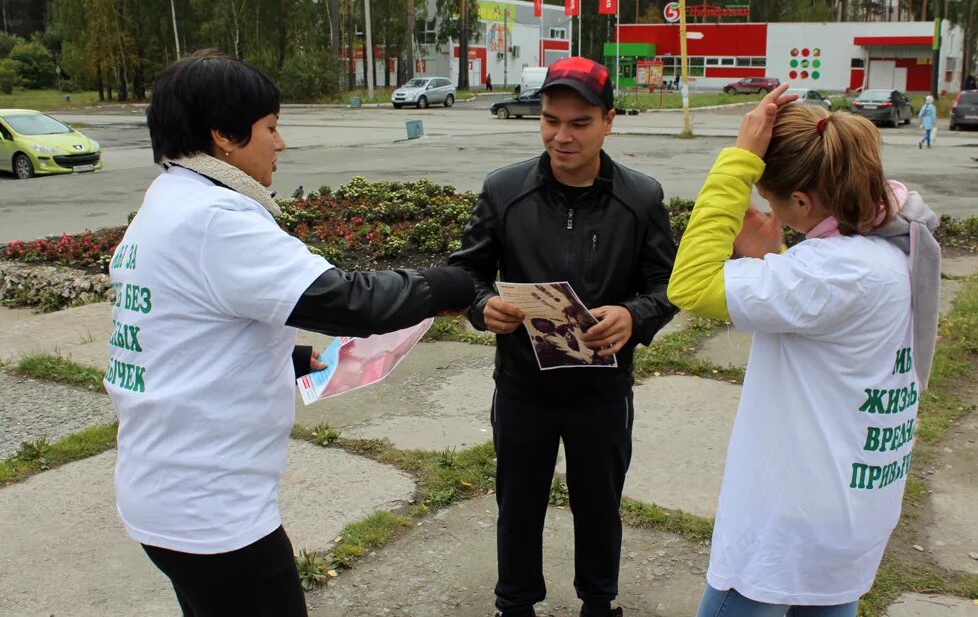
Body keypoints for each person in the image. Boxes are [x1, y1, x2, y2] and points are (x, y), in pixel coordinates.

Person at [105, 49, 474, 617]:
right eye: (271, 128)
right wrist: (452, 284)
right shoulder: (217, 220)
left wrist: (293, 359)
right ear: (224, 136)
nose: (281, 144)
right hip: (212, 509)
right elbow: (348, 301)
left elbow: (184, 332)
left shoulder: (168, 202)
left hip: (162, 490)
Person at [668, 86, 940, 616]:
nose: (768, 208)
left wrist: (740, 160)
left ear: (802, 202)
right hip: (853, 514)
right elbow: (824, 317)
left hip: (787, 526)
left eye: (771, 199)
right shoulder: (897, 242)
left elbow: (690, 284)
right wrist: (774, 258)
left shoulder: (834, 272)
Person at [448, 56, 678, 617]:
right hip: (523, 387)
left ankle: (600, 601)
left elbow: (668, 282)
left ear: (608, 121)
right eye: (551, 120)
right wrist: (484, 306)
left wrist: (634, 315)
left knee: (599, 504)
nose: (562, 135)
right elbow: (467, 272)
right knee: (518, 504)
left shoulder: (640, 197)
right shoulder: (504, 191)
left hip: (602, 392)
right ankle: (515, 603)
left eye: (579, 122)